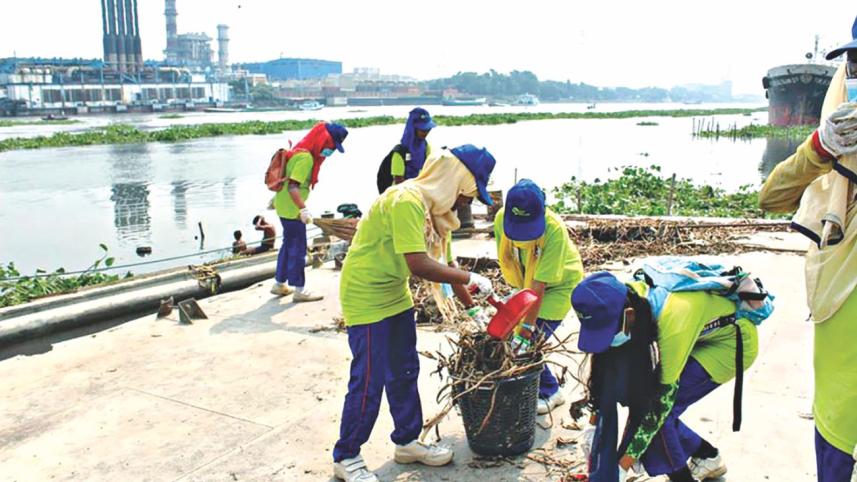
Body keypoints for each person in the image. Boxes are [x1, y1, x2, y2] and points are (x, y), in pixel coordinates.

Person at [333, 145, 497, 482]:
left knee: (405, 369)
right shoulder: (407, 201)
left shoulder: (434, 214)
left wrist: (474, 309)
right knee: (368, 379)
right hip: (365, 294)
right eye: (467, 195)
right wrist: (471, 278)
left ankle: (407, 441)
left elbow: (446, 264)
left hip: (394, 293)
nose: (465, 204)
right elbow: (419, 264)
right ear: (454, 180)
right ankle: (346, 455)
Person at [759, 17, 857, 482]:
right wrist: (821, 145)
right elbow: (771, 197)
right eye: (855, 65)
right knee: (835, 425)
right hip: (840, 308)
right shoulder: (837, 151)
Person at [572, 271, 759, 482]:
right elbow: (608, 369)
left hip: (730, 345)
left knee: (659, 419)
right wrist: (593, 424)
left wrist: (623, 465)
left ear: (630, 315)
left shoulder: (672, 325)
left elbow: (658, 408)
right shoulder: (626, 298)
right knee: (642, 402)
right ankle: (707, 456)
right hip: (697, 334)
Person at [493, 179, 584, 415]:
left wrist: (525, 328)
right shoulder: (501, 220)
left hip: (559, 285)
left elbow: (539, 286)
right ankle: (530, 383)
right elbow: (509, 261)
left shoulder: (554, 229)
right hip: (525, 284)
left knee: (531, 339)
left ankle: (551, 391)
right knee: (508, 338)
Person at [270, 121, 348, 302]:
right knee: (298, 249)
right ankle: (300, 289)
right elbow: (293, 187)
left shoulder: (299, 152)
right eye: (331, 146)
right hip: (293, 210)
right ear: (323, 140)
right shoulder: (306, 159)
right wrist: (303, 209)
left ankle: (280, 284)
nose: (331, 151)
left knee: (287, 245)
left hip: (283, 206)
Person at [377, 108, 436, 193]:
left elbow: (429, 170)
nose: (426, 132)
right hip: (399, 194)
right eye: (422, 130)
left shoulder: (426, 147)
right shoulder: (400, 152)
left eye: (428, 129)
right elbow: (398, 181)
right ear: (413, 129)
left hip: (417, 190)